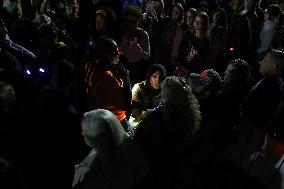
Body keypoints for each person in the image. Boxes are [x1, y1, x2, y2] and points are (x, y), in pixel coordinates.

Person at [131, 76, 201, 188]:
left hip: (152, 160)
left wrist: (147, 118)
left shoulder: (160, 115)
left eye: (163, 90)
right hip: (171, 158)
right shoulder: (187, 110)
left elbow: (141, 137)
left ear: (167, 94)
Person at [73, 109, 150, 189]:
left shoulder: (95, 170)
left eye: (84, 130)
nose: (82, 133)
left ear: (96, 137)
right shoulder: (131, 147)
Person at [83, 37, 132, 131]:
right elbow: (125, 105)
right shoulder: (108, 78)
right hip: (115, 121)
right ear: (105, 55)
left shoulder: (90, 65)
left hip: (98, 117)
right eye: (115, 52)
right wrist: (126, 79)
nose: (118, 54)